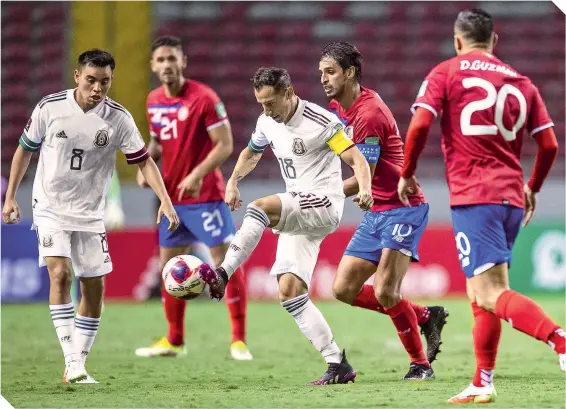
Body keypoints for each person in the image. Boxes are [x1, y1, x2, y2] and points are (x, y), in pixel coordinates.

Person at [398, 8, 564, 403]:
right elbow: (550, 144)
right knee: (482, 292)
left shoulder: (447, 71)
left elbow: (420, 124)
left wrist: (407, 172)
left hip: (475, 197)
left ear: (458, 41)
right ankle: (482, 381)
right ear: (495, 41)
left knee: (489, 293)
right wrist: (533, 187)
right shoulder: (521, 82)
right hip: (510, 197)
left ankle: (559, 339)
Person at [2, 49, 179, 383]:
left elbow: (144, 161)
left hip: (90, 213)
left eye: (105, 82)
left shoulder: (118, 118)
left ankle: (77, 362)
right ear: (77, 77)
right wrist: (11, 196)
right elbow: (25, 149)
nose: (97, 88)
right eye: (91, 80)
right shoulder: (49, 107)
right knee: (60, 275)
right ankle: (72, 359)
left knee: (94, 288)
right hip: (50, 206)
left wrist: (165, 201)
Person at [198, 66, 374, 385]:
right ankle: (338, 364)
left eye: (270, 103)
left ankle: (222, 272)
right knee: (290, 292)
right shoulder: (266, 121)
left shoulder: (320, 122)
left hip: (323, 203)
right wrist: (233, 181)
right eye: (261, 103)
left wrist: (364, 188)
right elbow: (252, 153)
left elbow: (356, 159)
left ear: (288, 93)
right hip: (299, 209)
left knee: (259, 208)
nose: (266, 110)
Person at [318, 41, 449, 380]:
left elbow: (365, 175)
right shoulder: (336, 108)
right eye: (321, 72)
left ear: (350, 73)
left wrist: (315, 192)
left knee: (386, 291)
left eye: (330, 72)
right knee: (342, 289)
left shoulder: (369, 114)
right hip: (378, 211)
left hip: (403, 208)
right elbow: (339, 149)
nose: (324, 79)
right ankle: (422, 316)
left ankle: (420, 366)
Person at [134, 36, 252, 360]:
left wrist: (198, 174)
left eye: (173, 58)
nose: (167, 65)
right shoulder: (153, 100)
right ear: (153, 66)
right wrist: (145, 165)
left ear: (183, 61)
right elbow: (157, 143)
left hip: (206, 197)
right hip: (171, 200)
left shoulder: (204, 98)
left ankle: (239, 340)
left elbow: (225, 144)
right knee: (168, 267)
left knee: (225, 261)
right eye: (161, 60)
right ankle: (174, 340)